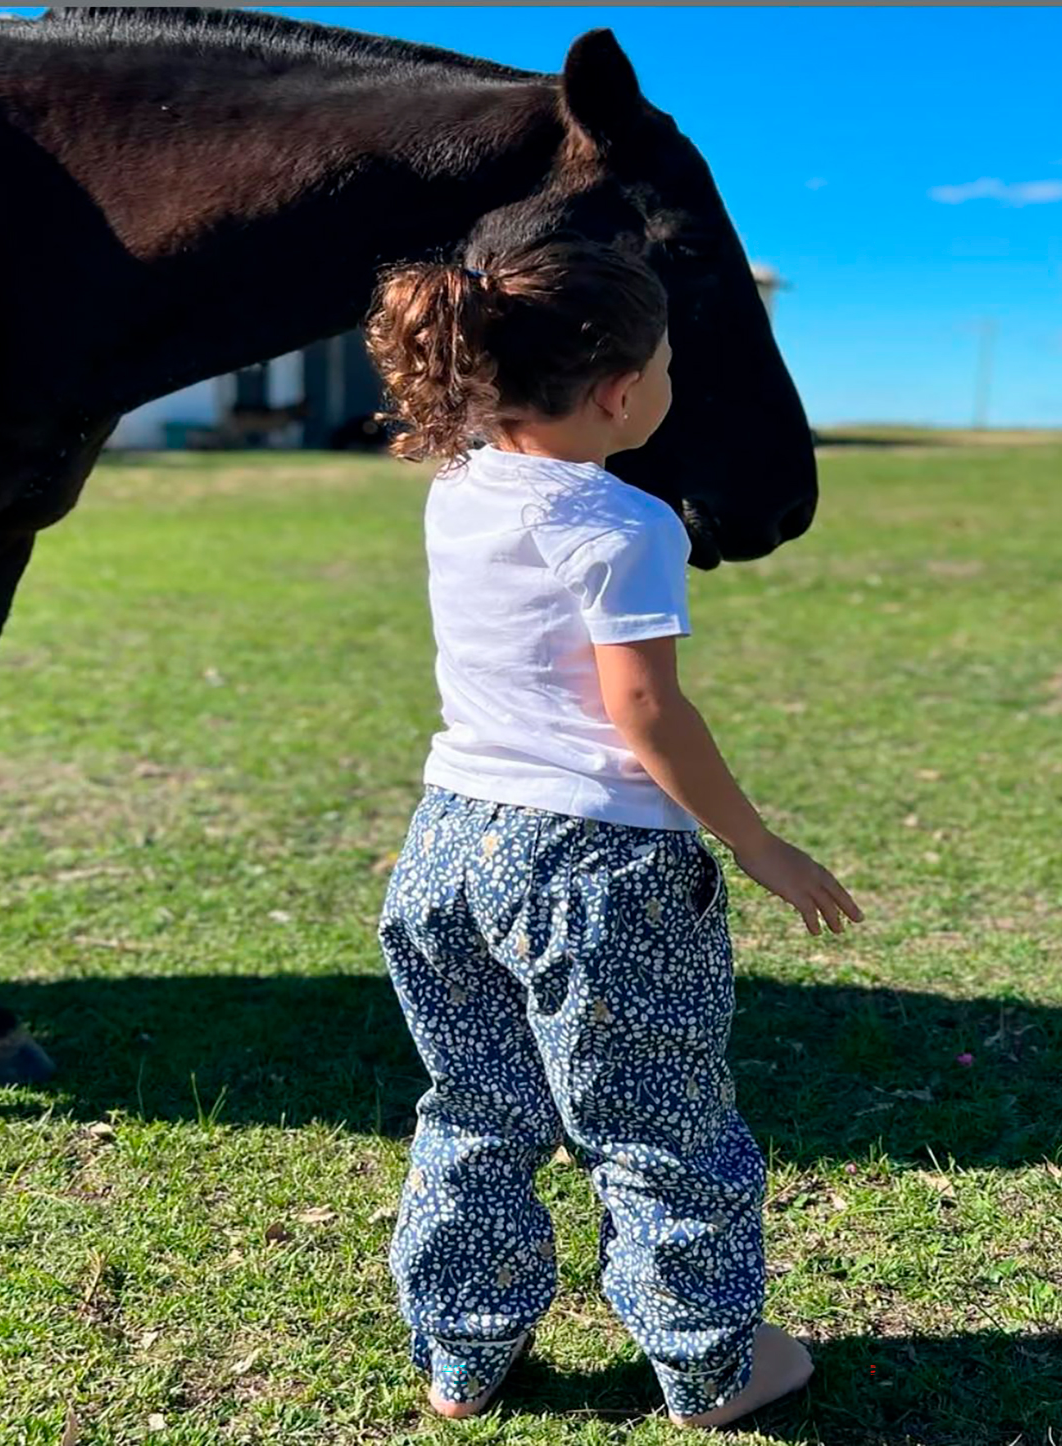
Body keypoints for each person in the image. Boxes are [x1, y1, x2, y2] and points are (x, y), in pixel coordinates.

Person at [364, 237, 862, 1428]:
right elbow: (645, 708)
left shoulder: (459, 486)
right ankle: (710, 1364)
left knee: (475, 1109)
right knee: (657, 1125)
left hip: (448, 844)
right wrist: (755, 844)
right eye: (670, 361)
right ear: (618, 391)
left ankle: (461, 1356)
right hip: (597, 869)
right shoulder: (626, 523)